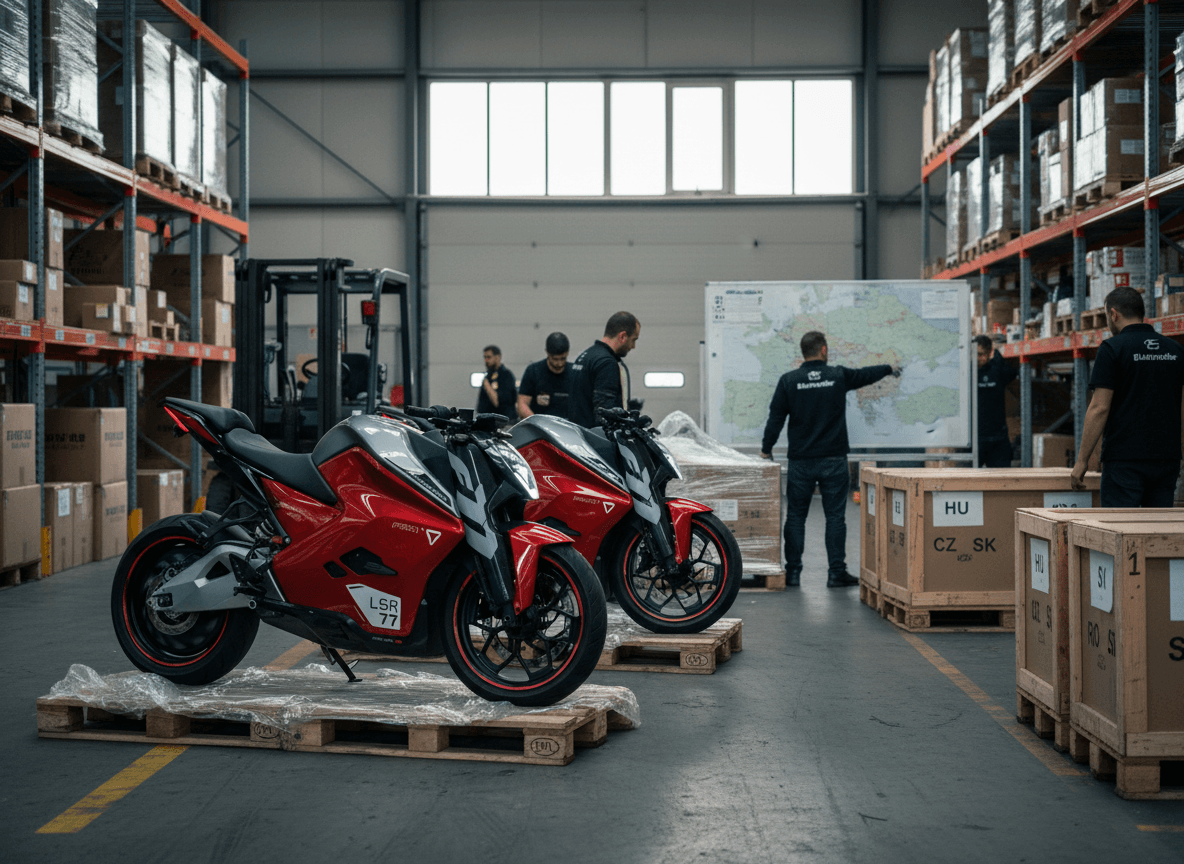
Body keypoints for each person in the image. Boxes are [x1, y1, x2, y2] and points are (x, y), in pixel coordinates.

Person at [760, 331, 899, 588]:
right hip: (833, 460)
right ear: (823, 350)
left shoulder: (789, 381)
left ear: (804, 352)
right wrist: (889, 368)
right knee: (835, 517)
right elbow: (866, 374)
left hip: (801, 461)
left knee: (796, 517)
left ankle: (792, 574)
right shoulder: (837, 376)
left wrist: (766, 449)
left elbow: (776, 418)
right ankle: (836, 573)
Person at [1070, 286, 1184, 506]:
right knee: (1157, 531)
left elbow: (1099, 408)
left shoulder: (1112, 348)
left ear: (1114, 314)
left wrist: (1082, 460)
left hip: (1124, 460)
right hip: (1166, 460)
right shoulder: (1175, 350)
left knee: (1118, 531)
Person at [569, 311, 640, 427]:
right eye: (633, 340)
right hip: (595, 440)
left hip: (578, 435)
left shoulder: (585, 356)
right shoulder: (607, 363)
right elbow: (604, 414)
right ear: (622, 336)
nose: (633, 346)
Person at [974, 335, 1017, 468]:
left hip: (998, 439)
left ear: (989, 353)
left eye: (980, 354)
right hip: (975, 439)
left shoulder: (997, 370)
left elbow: (1012, 372)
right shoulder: (968, 372)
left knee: (1001, 483)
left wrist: (997, 355)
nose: (977, 359)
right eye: (974, 354)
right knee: (965, 483)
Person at [517, 332, 573, 420]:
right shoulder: (533, 371)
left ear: (567, 353)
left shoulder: (575, 373)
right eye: (555, 359)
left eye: (563, 358)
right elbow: (522, 404)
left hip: (568, 428)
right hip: (540, 428)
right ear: (547, 352)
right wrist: (537, 423)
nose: (559, 363)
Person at [476, 345, 517, 423]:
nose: (486, 360)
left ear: (498, 357)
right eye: (485, 357)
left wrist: (487, 385)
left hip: (503, 422)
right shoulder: (488, 376)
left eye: (489, 357)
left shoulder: (506, 375)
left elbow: (498, 402)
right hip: (487, 422)